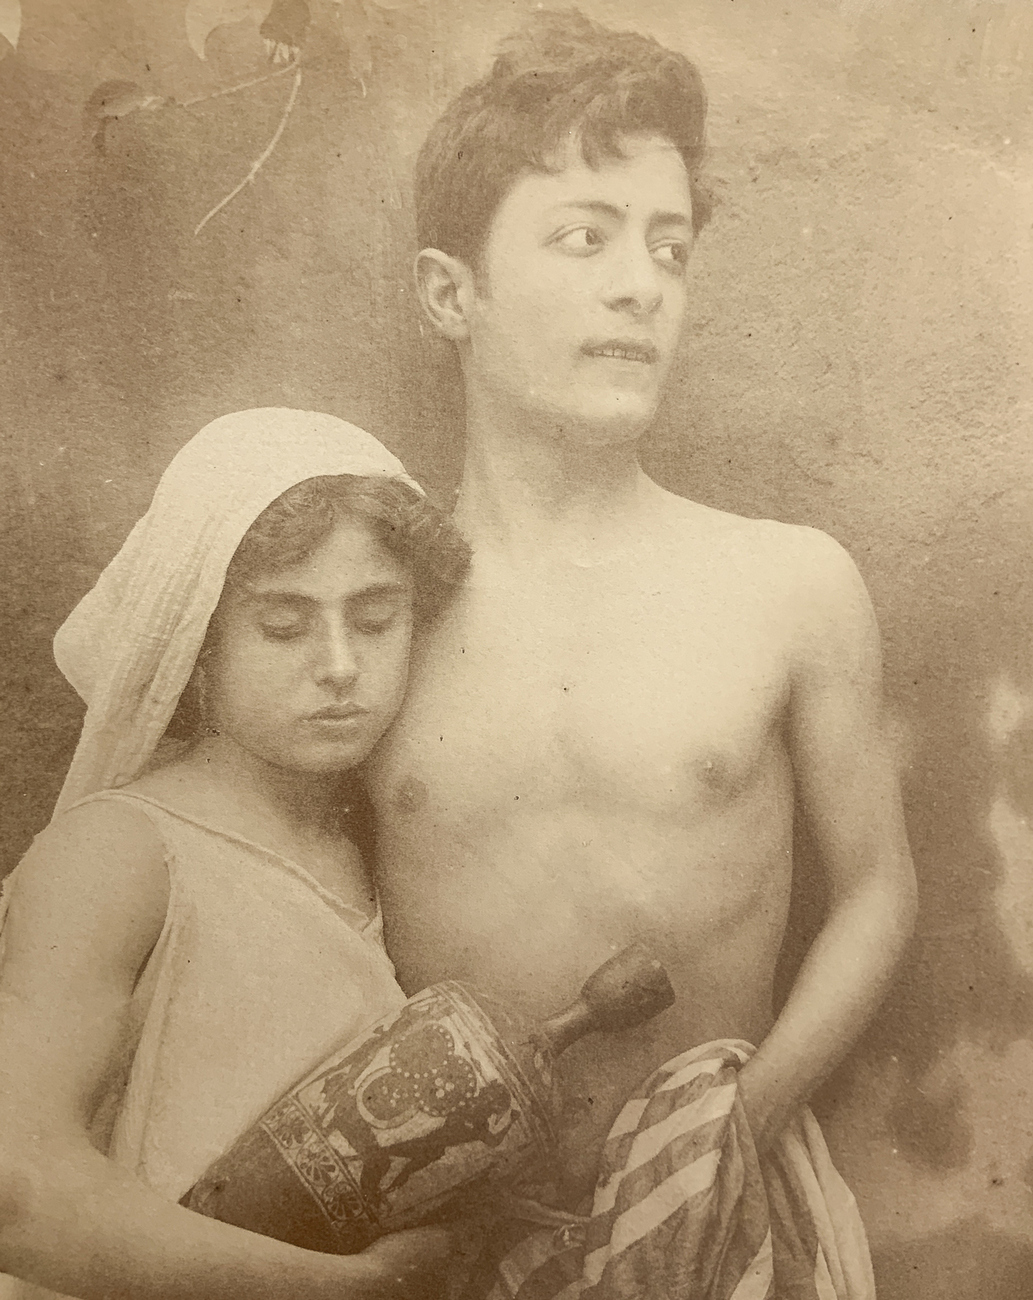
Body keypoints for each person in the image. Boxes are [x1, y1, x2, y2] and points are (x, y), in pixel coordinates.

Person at [365, 10, 918, 1294]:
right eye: (584, 237)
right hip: (456, 1249)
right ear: (451, 293)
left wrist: (733, 1134)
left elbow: (877, 889)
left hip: (732, 1225)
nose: (642, 285)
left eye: (670, 248)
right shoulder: (376, 614)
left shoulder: (787, 582)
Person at [0, 408, 470, 1300]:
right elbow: (14, 1190)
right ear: (200, 646)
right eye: (284, 626)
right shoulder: (121, 852)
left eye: (376, 618)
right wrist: (343, 1290)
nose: (340, 664)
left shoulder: (388, 848)